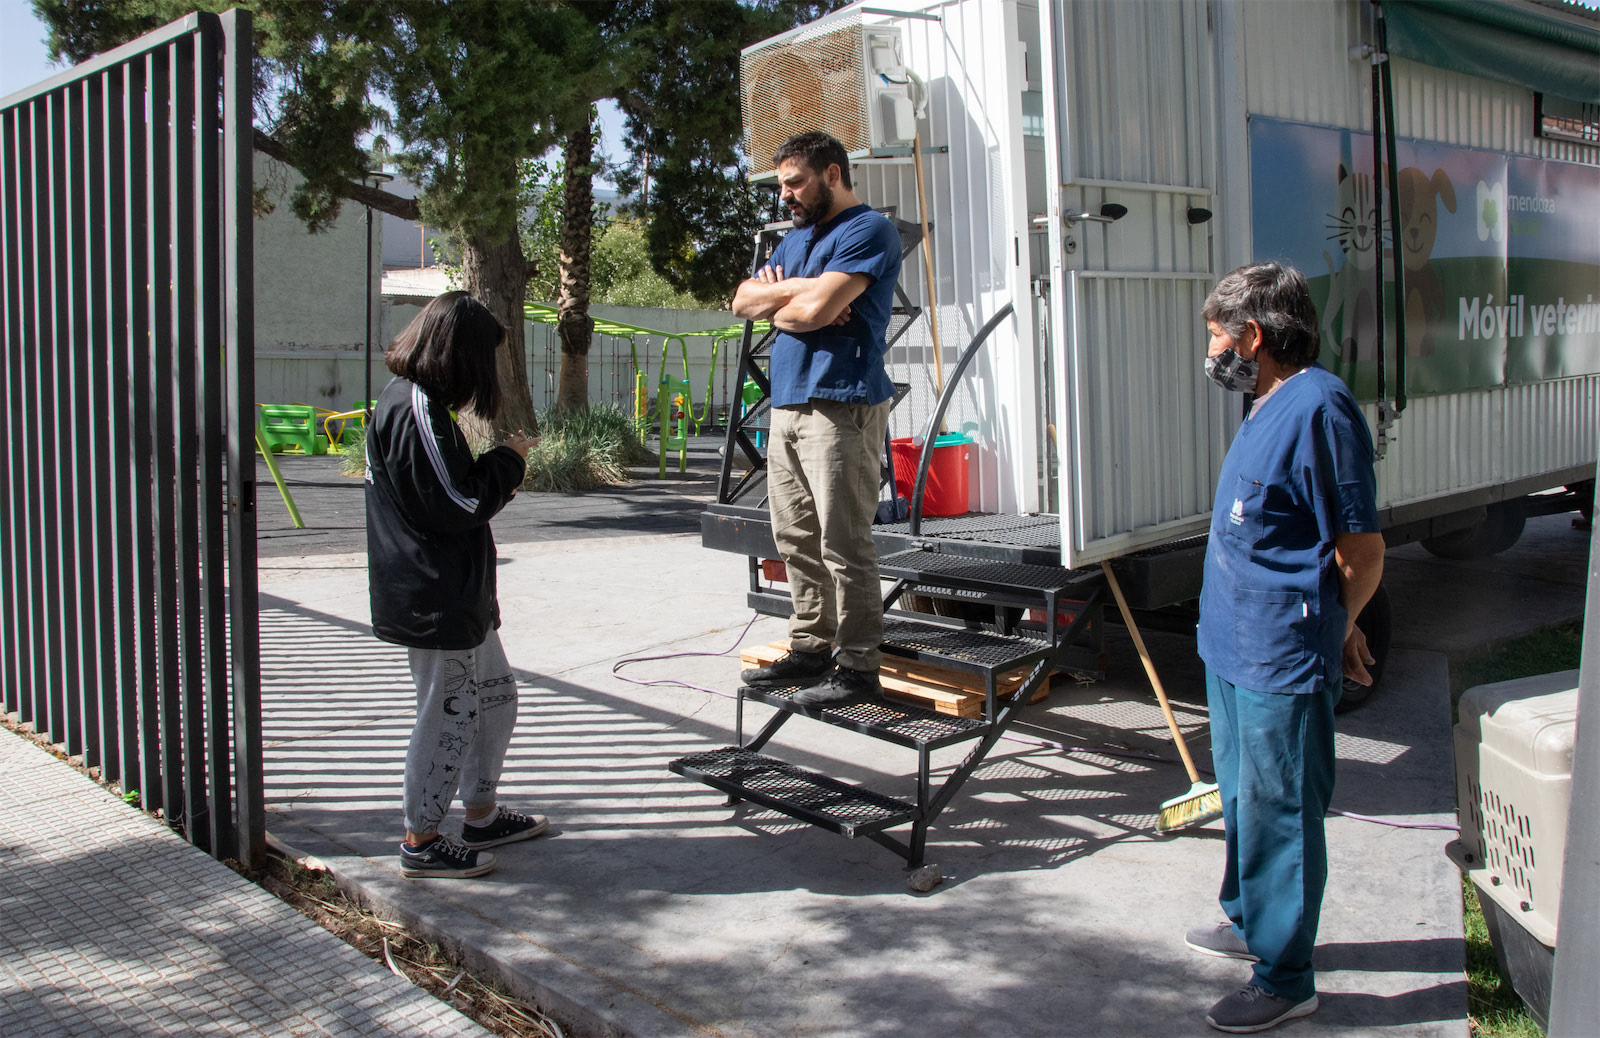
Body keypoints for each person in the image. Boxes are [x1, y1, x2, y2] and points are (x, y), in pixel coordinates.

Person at [1186, 263, 1386, 1033]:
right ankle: (1249, 923)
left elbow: (1361, 550)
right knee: (1241, 798)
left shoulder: (1320, 406)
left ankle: (1285, 974)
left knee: (1280, 812)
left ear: (1255, 335)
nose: (1211, 352)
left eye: (1217, 335)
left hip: (1280, 655)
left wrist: (1341, 626)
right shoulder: (1266, 400)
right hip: (1234, 644)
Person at [366, 291, 547, 879]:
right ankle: (421, 838)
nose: (486, 375)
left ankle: (480, 811)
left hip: (457, 592)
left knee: (494, 699)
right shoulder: (413, 407)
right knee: (449, 714)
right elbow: (459, 501)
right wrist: (510, 460)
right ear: (458, 355)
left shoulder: (421, 406)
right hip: (434, 596)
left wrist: (500, 469)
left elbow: (448, 495)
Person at [730, 131, 904, 706]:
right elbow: (741, 301)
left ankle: (857, 666)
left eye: (795, 182)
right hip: (788, 403)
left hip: (842, 400)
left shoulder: (868, 230)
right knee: (794, 535)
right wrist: (801, 299)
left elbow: (814, 311)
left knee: (844, 539)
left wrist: (796, 300)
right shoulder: (797, 238)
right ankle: (810, 646)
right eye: (781, 185)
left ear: (832, 174)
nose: (786, 196)